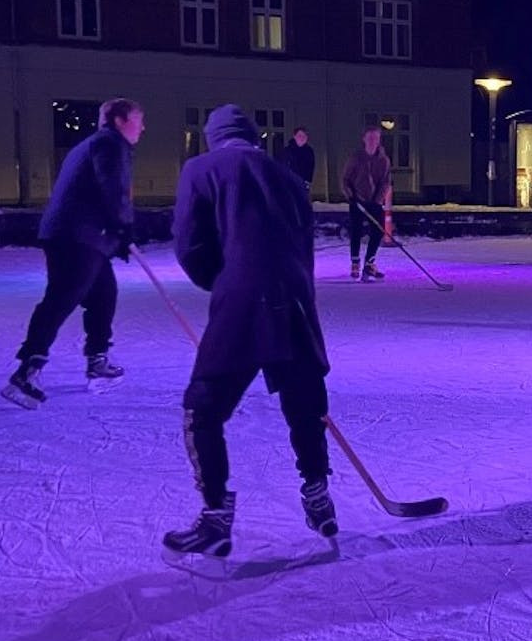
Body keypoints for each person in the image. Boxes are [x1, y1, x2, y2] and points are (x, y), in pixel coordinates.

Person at [163, 104, 336, 557]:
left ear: (213, 137)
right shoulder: (288, 177)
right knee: (304, 402)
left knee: (202, 408)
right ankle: (318, 493)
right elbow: (304, 247)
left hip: (241, 302)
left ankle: (216, 516)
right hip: (296, 300)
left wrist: (224, 281)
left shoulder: (200, 169)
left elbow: (189, 244)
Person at [1, 98, 144, 409]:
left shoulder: (91, 143)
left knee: (104, 294)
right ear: (120, 121)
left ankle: (98, 361)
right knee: (62, 298)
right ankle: (27, 370)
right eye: (138, 120)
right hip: (77, 236)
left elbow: (94, 189)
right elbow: (113, 188)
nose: (142, 128)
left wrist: (115, 235)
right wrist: (124, 226)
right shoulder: (111, 144)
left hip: (81, 235)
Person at [340, 126, 391, 281]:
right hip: (357, 200)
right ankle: (355, 262)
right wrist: (351, 197)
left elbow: (385, 182)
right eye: (369, 138)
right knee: (356, 231)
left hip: (374, 201)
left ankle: (369, 264)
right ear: (364, 139)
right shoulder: (356, 158)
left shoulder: (383, 159)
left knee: (378, 230)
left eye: (375, 138)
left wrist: (377, 200)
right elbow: (345, 180)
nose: (372, 141)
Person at [281, 126, 315, 192]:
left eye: (304, 136)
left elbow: (311, 167)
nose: (302, 138)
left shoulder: (309, 151)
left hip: (303, 183)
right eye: (300, 135)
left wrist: (308, 181)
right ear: (294, 136)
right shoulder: (287, 151)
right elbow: (283, 166)